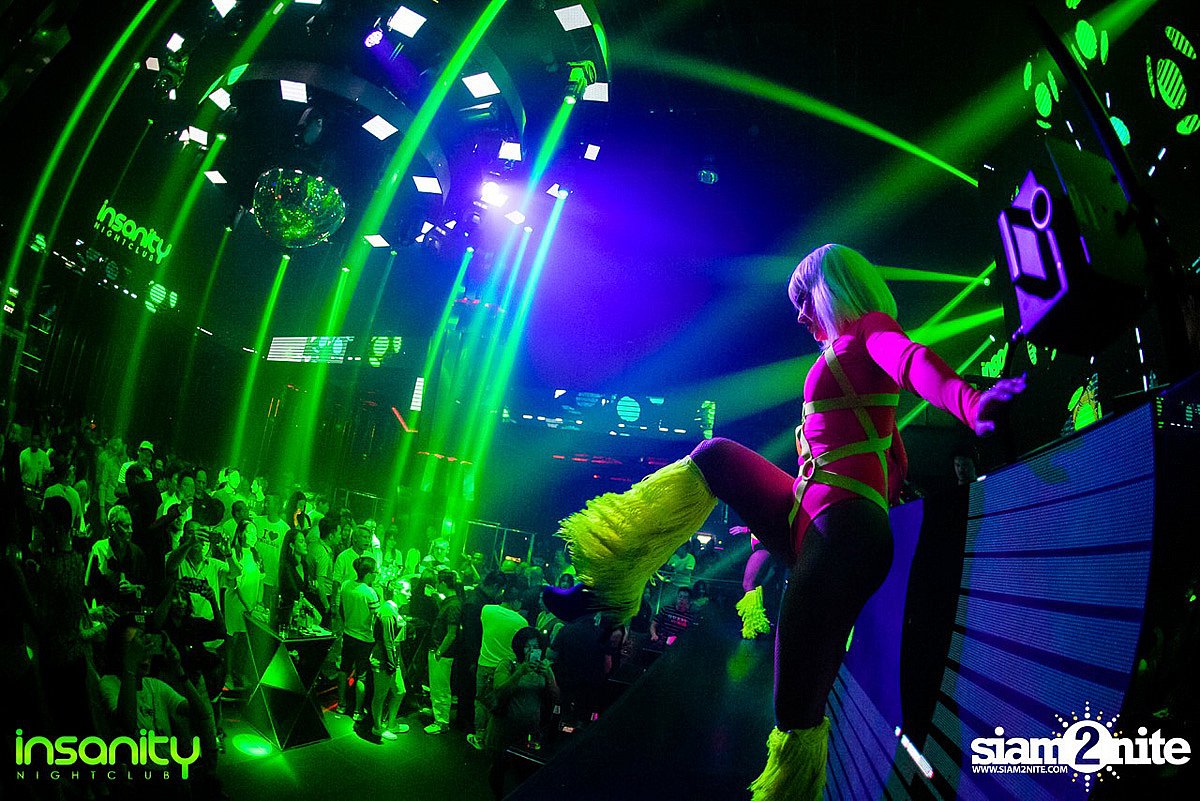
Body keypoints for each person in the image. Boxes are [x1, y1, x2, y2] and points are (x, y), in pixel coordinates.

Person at [543, 244, 1025, 800]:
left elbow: (913, 361)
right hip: (808, 512)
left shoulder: (871, 330)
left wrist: (969, 401)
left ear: (832, 290)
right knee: (716, 458)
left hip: (839, 528)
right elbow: (889, 456)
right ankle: (605, 588)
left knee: (794, 709)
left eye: (805, 301)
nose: (799, 317)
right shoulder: (850, 366)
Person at [484, 627, 558, 799]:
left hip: (529, 732)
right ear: (519, 647)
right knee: (499, 768)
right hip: (503, 730)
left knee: (525, 771)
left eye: (536, 647)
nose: (532, 651)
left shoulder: (544, 667)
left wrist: (548, 677)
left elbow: (556, 697)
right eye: (527, 646)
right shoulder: (507, 665)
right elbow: (499, 692)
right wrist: (520, 672)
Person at [474, 584, 527, 745]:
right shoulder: (521, 621)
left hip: (484, 663)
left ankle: (479, 736)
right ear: (516, 601)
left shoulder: (487, 610)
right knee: (499, 703)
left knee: (481, 701)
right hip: (505, 668)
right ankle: (493, 738)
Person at [336, 556, 380, 720]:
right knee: (361, 675)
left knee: (344, 669)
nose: (376, 575)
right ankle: (358, 711)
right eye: (375, 572)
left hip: (348, 634)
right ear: (368, 574)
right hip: (365, 639)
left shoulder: (346, 585)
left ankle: (341, 704)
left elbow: (341, 609)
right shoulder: (370, 593)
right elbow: (377, 618)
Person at [371, 579, 411, 740]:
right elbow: (387, 641)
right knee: (380, 695)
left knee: (400, 691)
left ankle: (391, 724)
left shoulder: (393, 610)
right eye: (407, 591)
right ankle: (377, 728)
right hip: (384, 659)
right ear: (396, 591)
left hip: (392, 659)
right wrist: (391, 663)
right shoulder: (387, 611)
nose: (410, 594)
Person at [424, 569, 462, 735]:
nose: (437, 586)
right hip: (439, 650)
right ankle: (437, 714)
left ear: (444, 583)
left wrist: (440, 651)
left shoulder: (453, 605)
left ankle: (441, 722)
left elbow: (451, 633)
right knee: (437, 686)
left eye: (438, 583)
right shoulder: (451, 602)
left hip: (442, 653)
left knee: (440, 688)